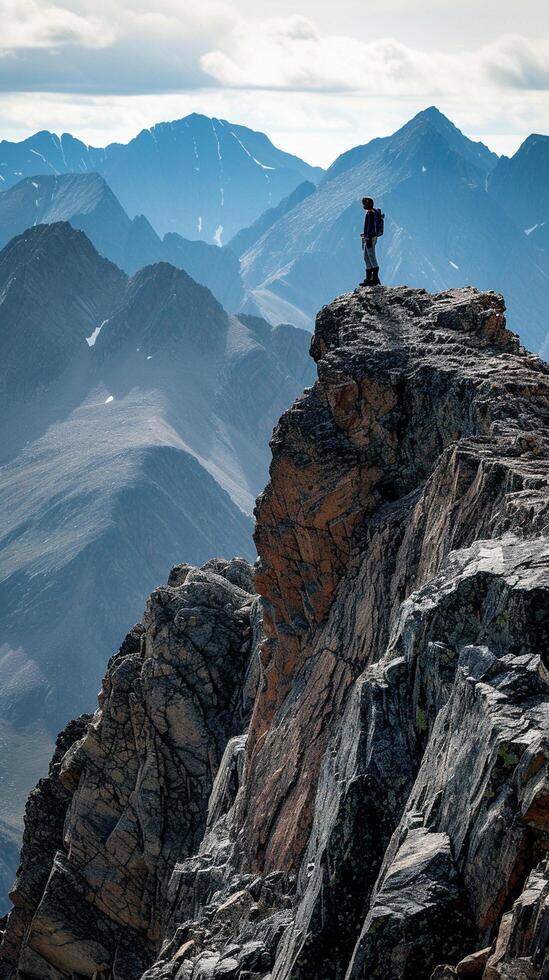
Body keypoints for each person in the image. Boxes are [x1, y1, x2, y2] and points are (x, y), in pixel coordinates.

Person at [360, 196, 381, 286]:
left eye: (364, 203)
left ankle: (374, 279)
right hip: (369, 237)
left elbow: (371, 228)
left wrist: (367, 237)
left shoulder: (371, 214)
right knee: (366, 257)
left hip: (370, 238)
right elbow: (369, 227)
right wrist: (365, 234)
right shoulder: (371, 213)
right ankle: (369, 278)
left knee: (371, 257)